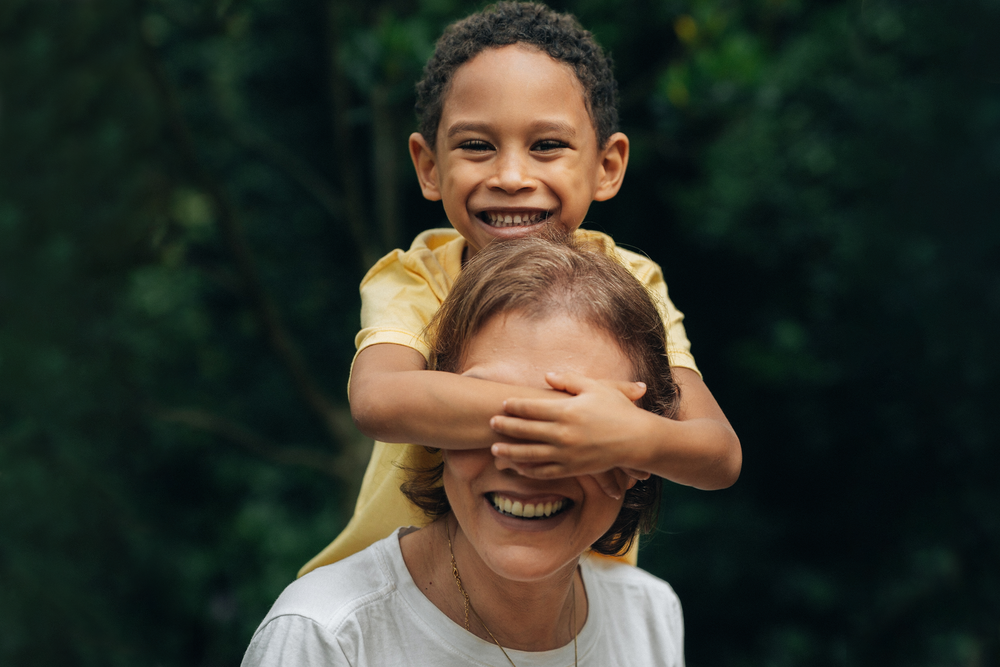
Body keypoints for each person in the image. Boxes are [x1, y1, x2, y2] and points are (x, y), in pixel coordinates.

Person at [299, 1, 741, 576]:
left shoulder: (634, 282)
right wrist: (580, 420)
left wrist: (630, 432)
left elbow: (717, 452)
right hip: (403, 603)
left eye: (547, 146)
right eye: (477, 146)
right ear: (429, 165)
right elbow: (381, 401)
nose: (510, 177)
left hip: (570, 607)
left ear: (607, 165)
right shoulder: (418, 275)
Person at [245, 235, 685, 666]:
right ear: (432, 425)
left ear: (641, 456)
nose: (526, 461)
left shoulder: (650, 617)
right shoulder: (327, 636)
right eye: (483, 412)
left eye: (582, 427)